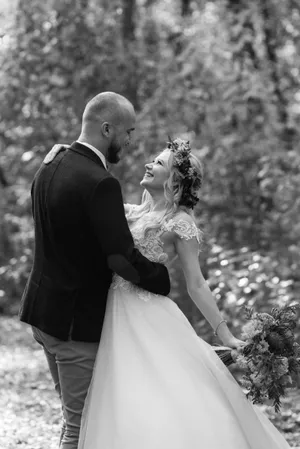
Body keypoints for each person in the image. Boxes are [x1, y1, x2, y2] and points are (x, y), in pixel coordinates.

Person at [77, 138, 291, 449]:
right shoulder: (129, 212)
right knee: (126, 396)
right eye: (153, 160)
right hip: (116, 313)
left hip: (149, 316)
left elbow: (196, 283)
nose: (150, 164)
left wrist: (226, 334)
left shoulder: (181, 224)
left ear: (175, 181)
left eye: (159, 164)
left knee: (166, 392)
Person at [19, 92, 171, 449]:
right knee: (80, 428)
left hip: (44, 315)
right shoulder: (101, 182)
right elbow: (120, 257)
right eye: (128, 131)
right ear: (107, 128)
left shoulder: (50, 164)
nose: (131, 141)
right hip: (75, 327)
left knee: (72, 419)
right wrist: (160, 280)